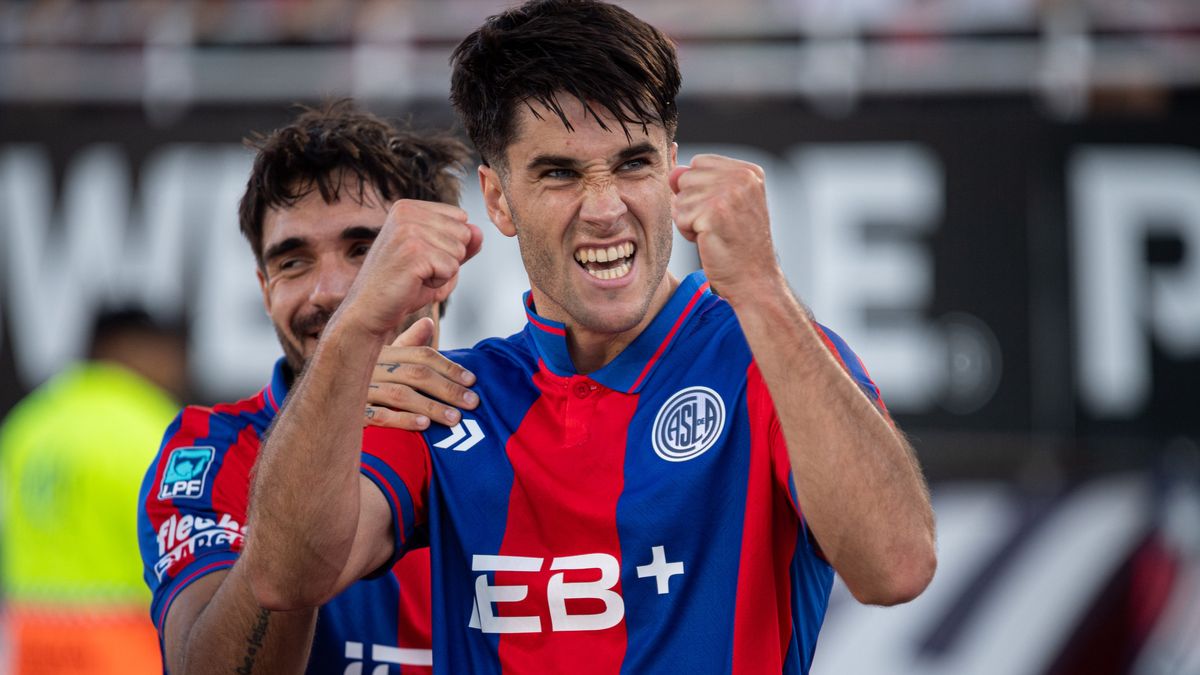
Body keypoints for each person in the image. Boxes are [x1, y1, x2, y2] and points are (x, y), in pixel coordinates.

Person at [243, 2, 938, 673]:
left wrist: (762, 289)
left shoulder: (768, 354)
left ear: (674, 167)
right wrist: (354, 326)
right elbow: (287, 579)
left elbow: (896, 568)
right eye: (559, 173)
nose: (605, 210)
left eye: (633, 163)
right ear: (497, 199)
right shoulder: (451, 395)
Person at [136, 101, 480, 674]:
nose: (332, 291)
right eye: (293, 262)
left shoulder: (517, 425)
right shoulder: (211, 449)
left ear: (444, 266)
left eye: (365, 249)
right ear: (265, 288)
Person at [1, 308, 186, 674]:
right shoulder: (155, 429)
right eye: (168, 355)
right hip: (125, 646)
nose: (177, 370)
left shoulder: (29, 423)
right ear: (131, 349)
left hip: (32, 639)